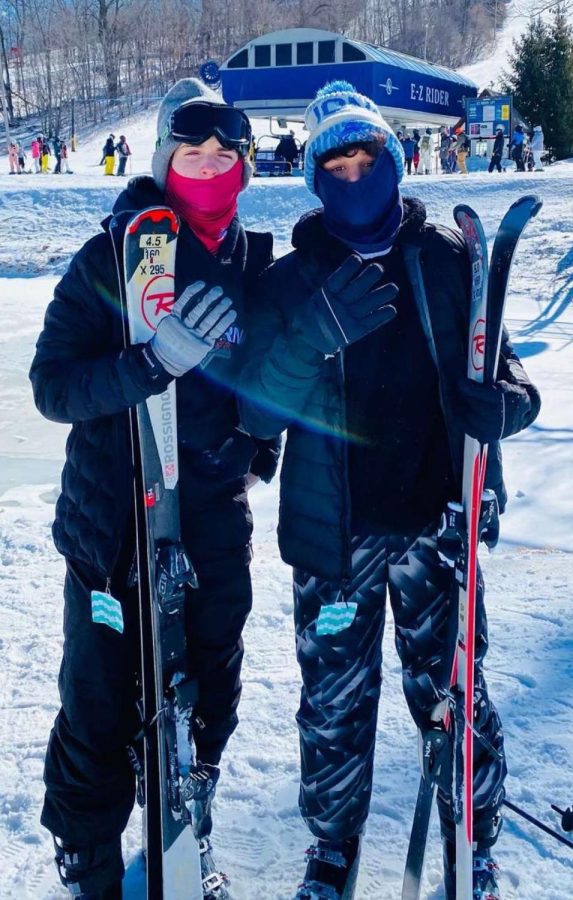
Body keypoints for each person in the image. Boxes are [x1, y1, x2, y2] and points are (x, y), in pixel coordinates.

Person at [238, 79, 541, 900]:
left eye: (365, 155)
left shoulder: (445, 260)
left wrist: (506, 405)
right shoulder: (288, 282)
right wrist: (311, 337)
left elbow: (509, 375)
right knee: (333, 705)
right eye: (333, 161)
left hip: (434, 525)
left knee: (451, 688)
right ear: (311, 176)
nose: (351, 172)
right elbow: (255, 412)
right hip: (332, 535)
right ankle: (332, 848)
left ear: (393, 160)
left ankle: (472, 827)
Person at [30, 77, 280, 900]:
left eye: (224, 156)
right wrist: (146, 366)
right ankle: (89, 859)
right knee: (99, 703)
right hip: (113, 527)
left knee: (211, 686)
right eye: (191, 152)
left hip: (211, 519)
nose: (208, 169)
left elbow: (275, 384)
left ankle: (184, 821)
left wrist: (264, 428)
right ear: (164, 155)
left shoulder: (254, 260)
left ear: (243, 165)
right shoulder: (112, 254)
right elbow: (54, 387)